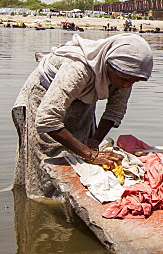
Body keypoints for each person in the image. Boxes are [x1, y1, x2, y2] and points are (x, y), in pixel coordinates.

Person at [12, 33, 153, 198]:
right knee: (47, 157)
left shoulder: (123, 76)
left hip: (83, 101)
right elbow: (47, 119)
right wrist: (91, 154)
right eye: (124, 79)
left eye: (133, 82)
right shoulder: (79, 68)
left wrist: (95, 141)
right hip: (45, 97)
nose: (127, 85)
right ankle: (41, 202)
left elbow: (115, 109)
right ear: (108, 65)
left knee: (82, 148)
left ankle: (72, 196)